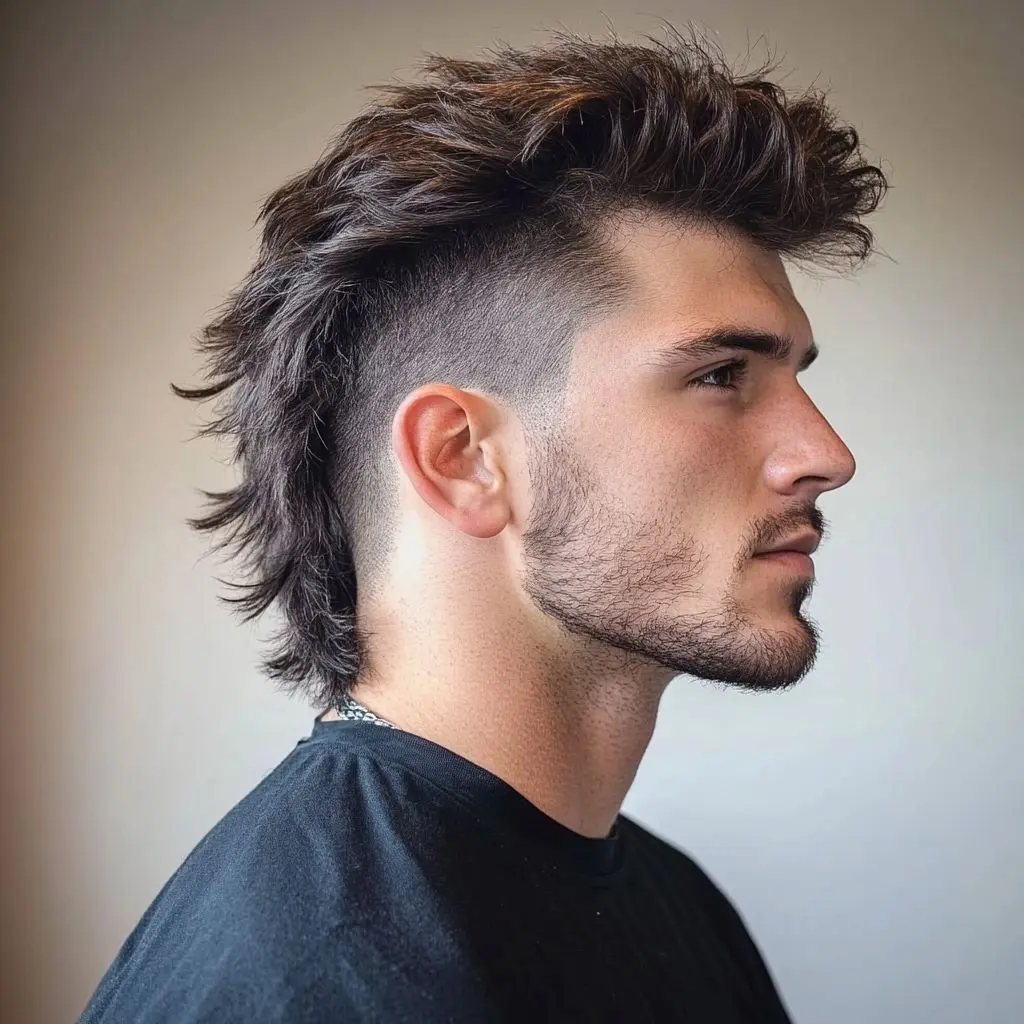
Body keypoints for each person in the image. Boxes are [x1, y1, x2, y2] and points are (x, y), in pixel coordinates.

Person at [79, 30, 887, 1024]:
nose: (824, 451)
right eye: (721, 375)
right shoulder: (312, 986)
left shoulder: (671, 901)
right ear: (464, 458)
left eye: (796, 377)